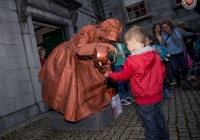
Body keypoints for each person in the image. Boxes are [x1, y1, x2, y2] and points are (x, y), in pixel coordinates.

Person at [38, 18, 122, 122]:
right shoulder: (89, 30)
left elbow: (102, 57)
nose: (109, 41)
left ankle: (92, 106)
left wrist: (107, 71)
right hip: (68, 56)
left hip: (85, 59)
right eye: (108, 38)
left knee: (97, 78)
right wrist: (102, 45)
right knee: (71, 85)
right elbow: (81, 50)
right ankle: (73, 110)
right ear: (104, 30)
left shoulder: (103, 40)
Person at [105, 25, 169, 140]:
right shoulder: (154, 54)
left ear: (133, 42)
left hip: (143, 98)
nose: (127, 47)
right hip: (158, 95)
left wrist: (110, 75)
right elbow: (163, 73)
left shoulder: (131, 60)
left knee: (149, 121)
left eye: (127, 44)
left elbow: (123, 76)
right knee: (159, 117)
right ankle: (164, 137)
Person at [161, 20, 195, 87]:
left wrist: (195, 34)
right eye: (164, 28)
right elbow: (162, 45)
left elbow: (186, 33)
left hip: (180, 52)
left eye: (166, 27)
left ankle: (186, 80)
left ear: (170, 25)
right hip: (171, 54)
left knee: (183, 66)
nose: (165, 29)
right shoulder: (163, 35)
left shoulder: (178, 30)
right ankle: (178, 81)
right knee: (175, 68)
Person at [109, 38, 135, 105]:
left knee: (125, 81)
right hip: (117, 65)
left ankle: (128, 96)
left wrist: (126, 53)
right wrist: (117, 54)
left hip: (124, 64)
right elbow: (110, 57)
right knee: (120, 82)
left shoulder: (123, 45)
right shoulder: (112, 46)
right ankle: (122, 98)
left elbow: (128, 53)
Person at [145, 34, 170, 98]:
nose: (144, 42)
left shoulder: (154, 47)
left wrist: (159, 56)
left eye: (146, 40)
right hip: (149, 69)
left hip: (157, 67)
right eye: (143, 41)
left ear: (150, 41)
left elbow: (165, 49)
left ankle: (165, 90)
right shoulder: (142, 50)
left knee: (160, 80)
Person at [152, 23, 176, 87]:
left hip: (165, 52)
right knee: (162, 68)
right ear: (154, 29)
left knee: (168, 66)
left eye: (158, 27)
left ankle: (171, 80)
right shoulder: (153, 37)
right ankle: (166, 82)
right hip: (159, 54)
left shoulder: (163, 34)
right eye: (156, 27)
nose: (157, 29)